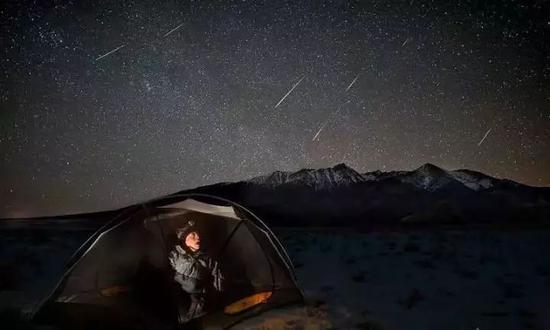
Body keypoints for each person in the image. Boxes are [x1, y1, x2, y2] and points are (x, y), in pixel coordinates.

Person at [168, 220, 224, 322]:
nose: (197, 237)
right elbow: (167, 276)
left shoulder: (208, 257)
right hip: (179, 304)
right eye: (193, 235)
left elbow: (217, 278)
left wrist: (216, 297)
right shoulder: (174, 256)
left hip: (201, 304)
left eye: (198, 235)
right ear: (184, 239)